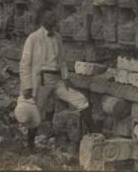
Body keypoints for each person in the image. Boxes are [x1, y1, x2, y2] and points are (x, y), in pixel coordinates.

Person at [19, 10, 98, 150]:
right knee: (35, 112)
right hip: (41, 80)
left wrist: (66, 77)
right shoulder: (33, 38)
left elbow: (61, 60)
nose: (52, 18)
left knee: (81, 100)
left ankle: (96, 134)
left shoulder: (58, 38)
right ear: (42, 19)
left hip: (57, 80)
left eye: (53, 16)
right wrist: (27, 85)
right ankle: (30, 146)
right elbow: (24, 63)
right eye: (49, 16)